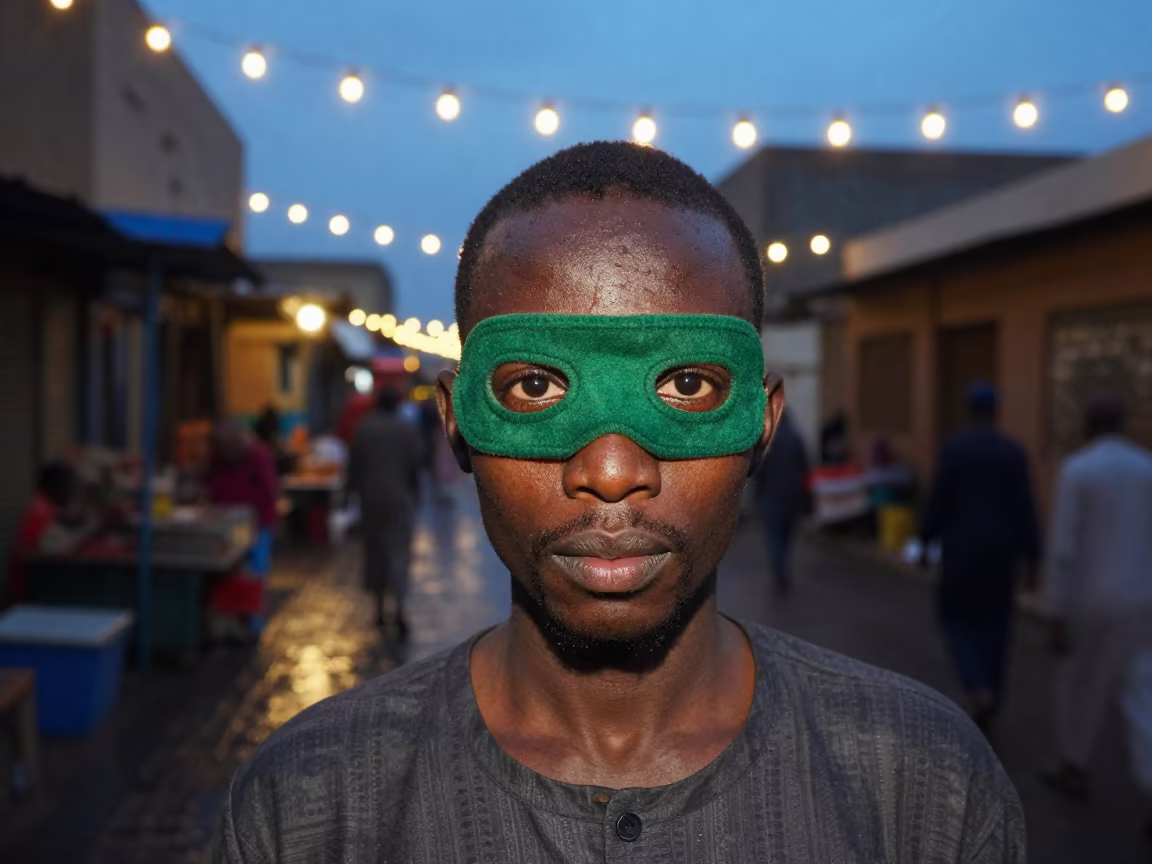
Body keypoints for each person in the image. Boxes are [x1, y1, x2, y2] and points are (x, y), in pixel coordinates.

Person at [214, 142, 1022, 863]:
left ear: (762, 424)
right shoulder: (306, 810)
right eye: (533, 387)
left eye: (686, 384)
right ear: (456, 422)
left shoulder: (927, 793)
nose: (608, 469)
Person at [1039, 396, 1152, 839]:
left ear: (1087, 424)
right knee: (1142, 693)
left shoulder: (1078, 471)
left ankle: (1073, 765)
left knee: (1078, 687)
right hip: (1143, 598)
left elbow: (1064, 549)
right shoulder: (1147, 468)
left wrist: (1056, 609)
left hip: (1091, 600)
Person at [919, 382, 1040, 733]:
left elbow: (938, 500)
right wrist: (1033, 558)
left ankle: (976, 685)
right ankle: (993, 692)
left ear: (970, 410)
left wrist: (925, 543)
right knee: (998, 626)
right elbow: (1026, 507)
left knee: (955, 617)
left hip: (962, 554)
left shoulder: (956, 449)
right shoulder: (1013, 452)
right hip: (1003, 557)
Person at [345, 388, 423, 636]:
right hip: (399, 500)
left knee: (375, 552)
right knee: (398, 553)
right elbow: (415, 466)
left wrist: (349, 495)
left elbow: (354, 466)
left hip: (371, 501)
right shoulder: (406, 429)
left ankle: (379, 612)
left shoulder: (363, 428)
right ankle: (399, 610)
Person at [206, 418, 280, 639]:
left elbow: (269, 493)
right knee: (229, 575)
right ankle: (231, 625)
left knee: (254, 576)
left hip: (258, 526)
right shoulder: (218, 459)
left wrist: (250, 517)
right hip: (226, 525)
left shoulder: (259, 456)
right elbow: (210, 483)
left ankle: (253, 626)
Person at [5, 462, 94, 607]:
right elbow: (60, 547)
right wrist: (93, 530)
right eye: (69, 486)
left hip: (38, 591)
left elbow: (69, 520)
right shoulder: (39, 511)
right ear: (53, 486)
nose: (72, 492)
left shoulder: (46, 505)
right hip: (31, 596)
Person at [754, 408, 810, 595]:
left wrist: (757, 495)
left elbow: (758, 472)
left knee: (774, 535)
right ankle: (783, 566)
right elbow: (805, 469)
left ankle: (779, 569)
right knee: (786, 535)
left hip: (771, 496)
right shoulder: (796, 439)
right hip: (792, 496)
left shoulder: (767, 443)